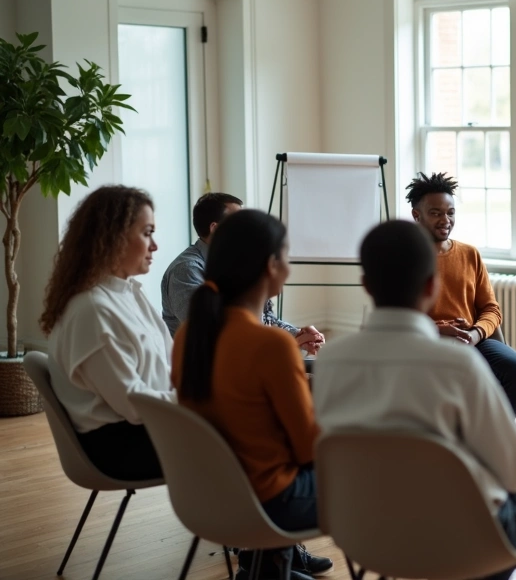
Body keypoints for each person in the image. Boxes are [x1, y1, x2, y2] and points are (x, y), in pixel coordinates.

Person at [313, 220, 516, 580]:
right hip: (457, 538)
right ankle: (489, 566)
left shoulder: (329, 361)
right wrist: (511, 446)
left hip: (366, 536)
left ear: (366, 285)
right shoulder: (458, 365)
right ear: (433, 286)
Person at [171, 209, 332, 580]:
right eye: (287, 255)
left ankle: (265, 568)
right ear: (271, 266)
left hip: (207, 495)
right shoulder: (270, 344)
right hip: (268, 501)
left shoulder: (189, 335)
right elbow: (308, 451)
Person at [41, 186, 174, 481]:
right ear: (113, 238)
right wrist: (202, 403)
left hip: (154, 426)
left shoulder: (130, 294)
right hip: (122, 445)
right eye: (147, 233)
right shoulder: (92, 310)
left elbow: (173, 361)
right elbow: (134, 405)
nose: (155, 246)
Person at [405, 172, 516, 415]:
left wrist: (475, 333)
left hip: (471, 340)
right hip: (427, 342)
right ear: (416, 215)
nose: (445, 219)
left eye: (450, 212)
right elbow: (401, 318)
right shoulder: (406, 257)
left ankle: (497, 437)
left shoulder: (469, 254)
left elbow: (491, 309)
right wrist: (440, 329)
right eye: (436, 213)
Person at [161, 192, 323, 353]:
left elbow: (262, 318)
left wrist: (297, 335)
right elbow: (213, 336)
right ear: (216, 229)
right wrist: (284, 343)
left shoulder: (233, 263)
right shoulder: (186, 270)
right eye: (238, 223)